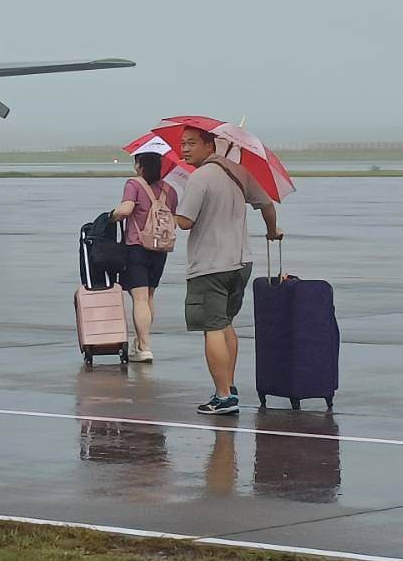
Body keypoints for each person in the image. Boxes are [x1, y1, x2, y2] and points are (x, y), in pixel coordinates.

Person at [175, 127, 280, 415]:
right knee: (226, 324)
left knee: (212, 328)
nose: (184, 149)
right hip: (240, 262)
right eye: (182, 143)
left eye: (191, 143)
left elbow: (184, 221)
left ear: (210, 145)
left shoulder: (199, 179)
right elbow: (267, 205)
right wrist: (272, 232)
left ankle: (223, 396)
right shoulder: (239, 172)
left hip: (209, 266)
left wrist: (171, 210)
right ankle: (229, 385)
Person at [109, 151, 179, 363]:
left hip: (137, 247)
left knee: (138, 298)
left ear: (140, 165)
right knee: (149, 296)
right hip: (160, 249)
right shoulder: (171, 190)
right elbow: (174, 221)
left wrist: (112, 216)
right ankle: (141, 342)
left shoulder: (134, 184)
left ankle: (144, 346)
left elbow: (126, 209)